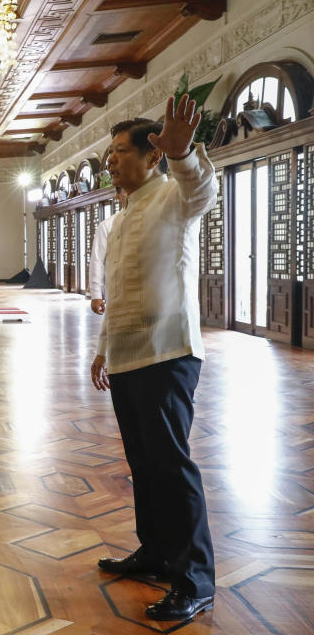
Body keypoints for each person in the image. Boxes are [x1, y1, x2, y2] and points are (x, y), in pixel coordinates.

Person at [90, 96, 217, 622]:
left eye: (121, 151)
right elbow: (117, 292)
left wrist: (184, 152)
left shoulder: (174, 197)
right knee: (143, 466)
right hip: (126, 358)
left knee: (171, 467)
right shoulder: (119, 221)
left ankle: (196, 579)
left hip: (167, 354)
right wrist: (102, 351)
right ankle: (157, 553)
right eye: (111, 152)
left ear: (152, 157)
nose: (111, 160)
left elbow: (202, 188)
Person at [89, 188, 127, 315]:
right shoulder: (107, 225)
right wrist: (96, 294)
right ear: (118, 196)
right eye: (125, 191)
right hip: (117, 292)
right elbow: (97, 260)